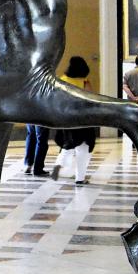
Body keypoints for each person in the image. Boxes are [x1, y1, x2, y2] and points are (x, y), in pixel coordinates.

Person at [51, 56, 96, 185]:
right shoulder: (84, 81)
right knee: (83, 148)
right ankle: (80, 178)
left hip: (66, 118)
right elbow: (90, 98)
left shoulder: (62, 80)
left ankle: (57, 167)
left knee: (68, 145)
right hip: (82, 119)